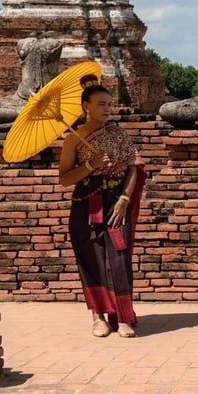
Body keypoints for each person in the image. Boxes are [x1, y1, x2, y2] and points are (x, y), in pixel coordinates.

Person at [59, 75, 146, 338]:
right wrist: (90, 165)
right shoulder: (74, 138)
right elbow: (64, 179)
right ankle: (98, 317)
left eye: (110, 104)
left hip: (116, 201)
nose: (108, 109)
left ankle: (122, 317)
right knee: (92, 259)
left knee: (119, 259)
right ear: (86, 106)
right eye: (101, 104)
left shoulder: (118, 134)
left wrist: (124, 199)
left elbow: (134, 168)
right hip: (87, 203)